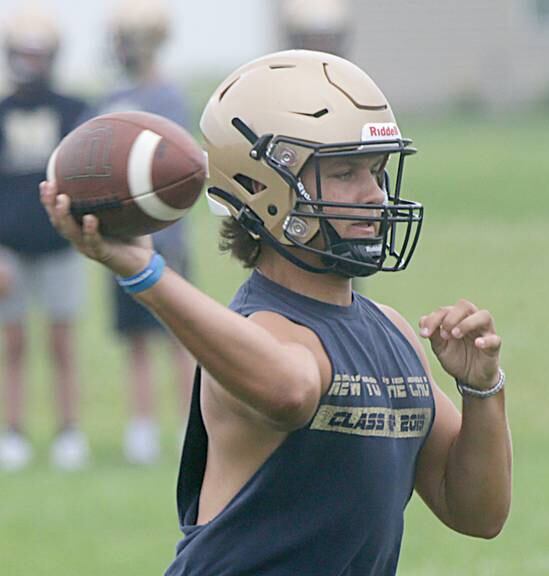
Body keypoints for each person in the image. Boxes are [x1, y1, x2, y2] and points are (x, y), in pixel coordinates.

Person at [42, 50, 511, 575]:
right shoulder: (260, 330)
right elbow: (292, 391)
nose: (376, 196)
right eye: (346, 172)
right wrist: (145, 272)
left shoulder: (394, 333)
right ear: (263, 188)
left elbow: (477, 512)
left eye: (377, 171)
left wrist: (482, 389)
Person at [93, 0, 194, 465]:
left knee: (182, 336)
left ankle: (189, 425)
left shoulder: (167, 96)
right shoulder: (111, 98)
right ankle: (141, 429)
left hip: (167, 241)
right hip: (121, 238)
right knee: (136, 340)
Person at [0, 4, 89, 471]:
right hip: (9, 247)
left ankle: (68, 430)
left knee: (62, 342)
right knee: (12, 344)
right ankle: (12, 431)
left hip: (59, 243)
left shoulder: (72, 109)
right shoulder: (2, 111)